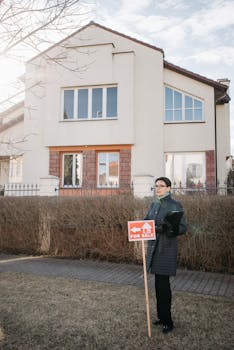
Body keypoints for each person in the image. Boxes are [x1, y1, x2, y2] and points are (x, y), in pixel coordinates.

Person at [145, 177, 187, 334]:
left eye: (161, 186)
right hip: (154, 249)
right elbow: (146, 221)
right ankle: (161, 317)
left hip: (166, 249)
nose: (158, 189)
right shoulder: (154, 204)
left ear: (169, 188)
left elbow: (182, 227)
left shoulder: (175, 205)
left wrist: (169, 228)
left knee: (164, 287)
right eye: (156, 186)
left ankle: (168, 321)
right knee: (158, 285)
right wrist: (140, 226)